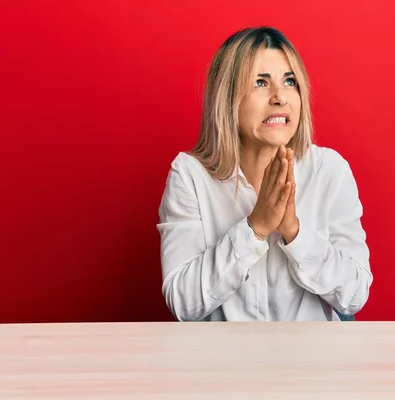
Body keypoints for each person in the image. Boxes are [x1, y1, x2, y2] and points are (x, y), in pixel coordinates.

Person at [156, 27, 373, 322]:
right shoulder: (190, 175)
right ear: (227, 97)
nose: (280, 97)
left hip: (312, 362)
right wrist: (255, 227)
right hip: (223, 363)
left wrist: (294, 231)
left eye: (289, 81)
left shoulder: (329, 171)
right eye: (260, 82)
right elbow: (183, 302)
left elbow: (355, 295)